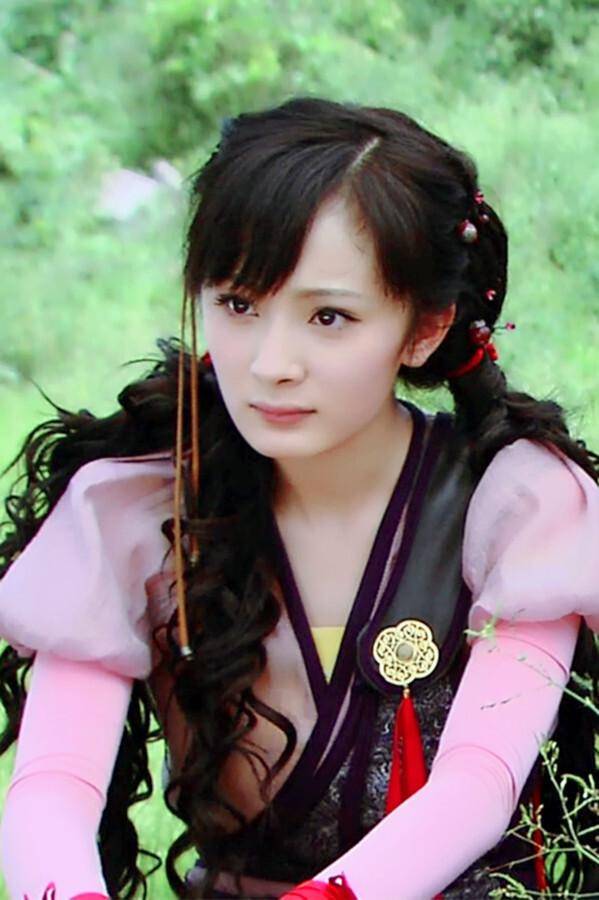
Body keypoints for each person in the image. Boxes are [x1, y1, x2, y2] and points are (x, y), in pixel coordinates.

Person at [0, 97, 597, 900]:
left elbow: (477, 784)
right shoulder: (134, 510)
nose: (270, 363)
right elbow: (52, 788)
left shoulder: (518, 505)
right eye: (238, 305)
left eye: (328, 316)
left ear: (424, 328)